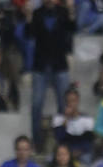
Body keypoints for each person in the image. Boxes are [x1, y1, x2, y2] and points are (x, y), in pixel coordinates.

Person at [28, 0, 76, 152]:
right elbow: (29, 34)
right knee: (36, 104)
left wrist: (71, 12)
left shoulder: (62, 12)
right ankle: (37, 142)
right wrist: (29, 18)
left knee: (64, 106)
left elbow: (72, 28)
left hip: (59, 65)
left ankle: (62, 142)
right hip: (40, 66)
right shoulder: (37, 13)